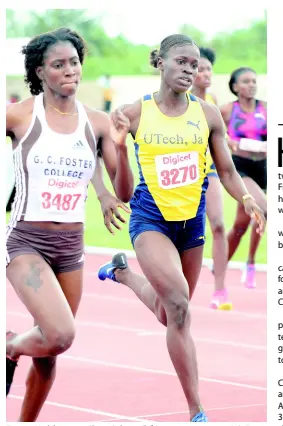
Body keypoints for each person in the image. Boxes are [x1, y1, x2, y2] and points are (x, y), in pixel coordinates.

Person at [97, 34, 265, 422]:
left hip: (190, 225)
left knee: (168, 312)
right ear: (161, 63)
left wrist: (246, 198)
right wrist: (121, 148)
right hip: (150, 219)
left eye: (195, 64)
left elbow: (225, 170)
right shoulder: (133, 113)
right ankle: (197, 410)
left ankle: (122, 273)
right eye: (181, 62)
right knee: (179, 306)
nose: (189, 70)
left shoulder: (207, 115)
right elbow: (122, 191)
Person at [6, 27, 134, 422]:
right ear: (40, 71)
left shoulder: (96, 122)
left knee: (49, 352)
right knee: (60, 334)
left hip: (70, 247)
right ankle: (10, 347)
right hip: (26, 242)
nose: (69, 71)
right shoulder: (19, 115)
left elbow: (124, 192)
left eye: (74, 62)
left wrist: (121, 146)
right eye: (58, 64)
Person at [191, 47, 231, 310]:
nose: (205, 73)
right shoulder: (181, 101)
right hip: (183, 174)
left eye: (208, 68)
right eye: (200, 69)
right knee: (184, 233)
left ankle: (220, 290)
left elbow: (220, 140)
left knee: (217, 225)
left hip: (211, 171)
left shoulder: (214, 102)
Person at [220, 67, 267, 289]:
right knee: (262, 207)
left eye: (254, 81)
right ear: (235, 86)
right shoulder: (228, 111)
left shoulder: (267, 109)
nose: (251, 85)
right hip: (240, 167)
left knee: (241, 225)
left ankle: (248, 262)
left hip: (263, 166)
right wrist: (227, 140)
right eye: (246, 81)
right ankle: (221, 271)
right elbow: (214, 133)